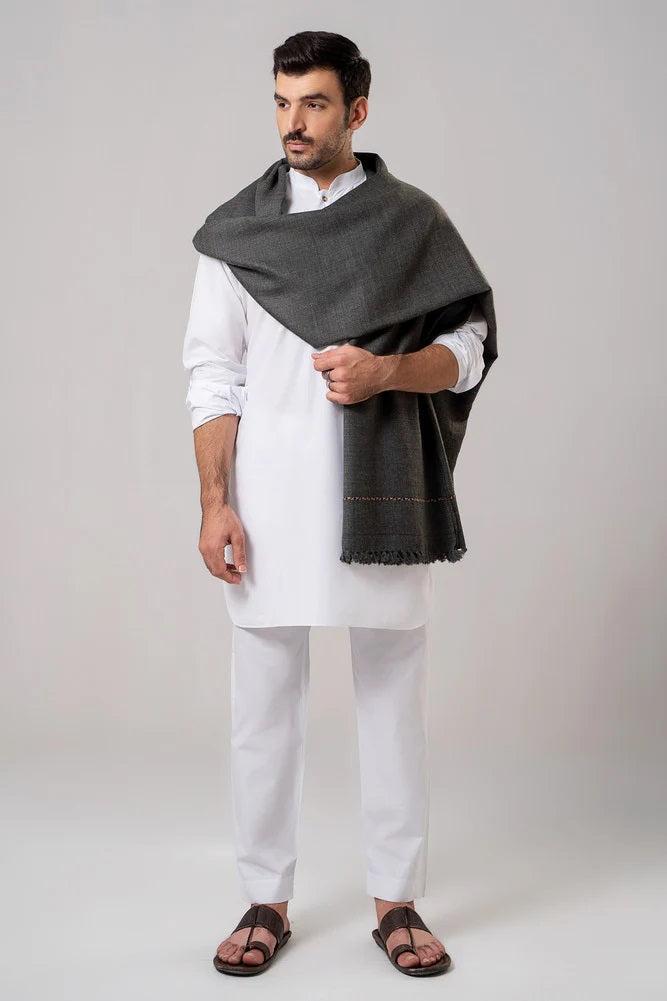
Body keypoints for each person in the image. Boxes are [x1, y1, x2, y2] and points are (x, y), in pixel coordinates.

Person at [182, 31, 490, 978]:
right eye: (282, 102)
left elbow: (469, 350)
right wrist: (214, 502)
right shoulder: (237, 235)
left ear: (356, 110)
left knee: (392, 702)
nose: (293, 123)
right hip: (267, 502)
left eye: (313, 103)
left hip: (383, 501)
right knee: (261, 706)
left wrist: (388, 371)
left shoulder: (412, 226)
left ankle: (397, 902)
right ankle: (263, 899)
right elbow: (212, 373)